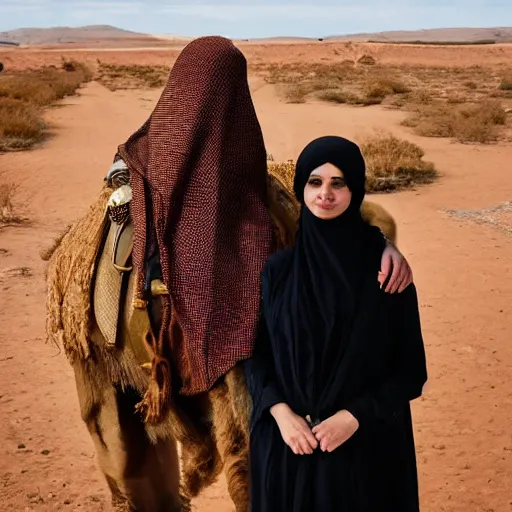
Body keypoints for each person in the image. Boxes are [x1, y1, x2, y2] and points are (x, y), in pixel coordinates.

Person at [244, 135, 428, 512]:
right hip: (287, 449)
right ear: (301, 188)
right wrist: (281, 413)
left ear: (355, 190)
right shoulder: (277, 272)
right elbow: (257, 355)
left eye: (338, 184)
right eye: (315, 182)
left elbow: (411, 372)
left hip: (363, 454)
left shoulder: (386, 274)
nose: (324, 194)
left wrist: (352, 417)